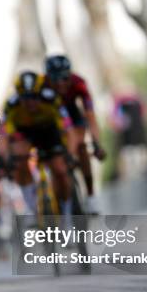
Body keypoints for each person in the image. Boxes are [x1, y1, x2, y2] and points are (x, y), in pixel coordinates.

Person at [4, 71, 76, 217]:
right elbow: (4, 135)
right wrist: (5, 158)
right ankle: (32, 208)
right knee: (19, 160)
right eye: (25, 98)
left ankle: (66, 212)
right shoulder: (11, 105)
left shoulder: (51, 99)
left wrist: (70, 153)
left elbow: (69, 129)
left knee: (60, 170)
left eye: (34, 97)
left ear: (40, 93)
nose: (30, 102)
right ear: (19, 96)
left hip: (49, 131)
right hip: (25, 132)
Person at [44, 55, 106, 214]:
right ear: (48, 77)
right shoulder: (42, 86)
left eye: (64, 78)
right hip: (51, 120)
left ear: (70, 75)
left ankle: (91, 195)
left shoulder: (79, 83)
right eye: (55, 79)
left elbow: (90, 116)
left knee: (82, 146)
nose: (60, 83)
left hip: (73, 115)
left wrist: (97, 143)